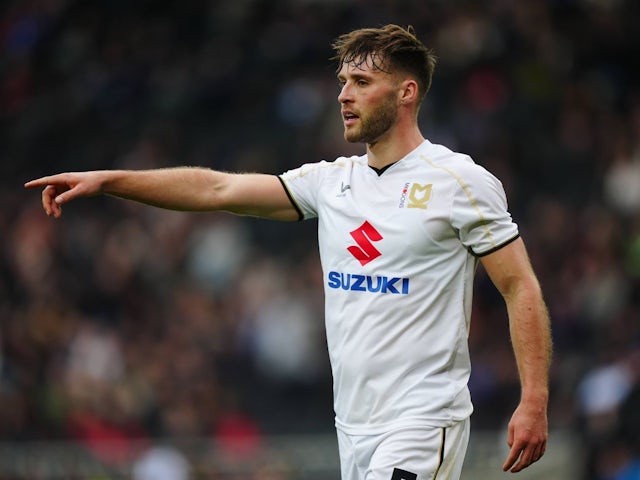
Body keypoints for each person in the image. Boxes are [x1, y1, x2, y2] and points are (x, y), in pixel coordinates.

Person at [26, 24, 552, 480]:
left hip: (422, 417)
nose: (344, 95)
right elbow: (216, 191)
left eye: (361, 83)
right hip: (352, 421)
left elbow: (517, 285)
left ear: (406, 92)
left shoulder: (459, 181)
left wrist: (534, 399)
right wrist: (111, 181)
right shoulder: (330, 183)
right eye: (343, 82)